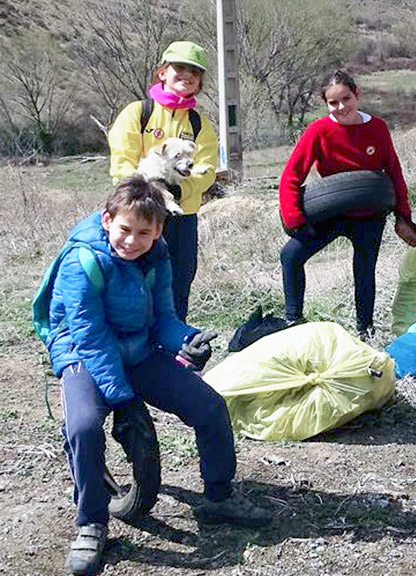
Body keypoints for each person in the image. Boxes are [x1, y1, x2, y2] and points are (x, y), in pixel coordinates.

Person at [45, 176, 271, 576]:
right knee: (82, 427)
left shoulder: (157, 255)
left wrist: (187, 340)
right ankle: (91, 522)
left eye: (144, 233)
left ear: (159, 231)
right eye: (125, 230)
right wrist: (121, 397)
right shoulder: (82, 262)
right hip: (83, 353)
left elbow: (163, 318)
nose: (132, 241)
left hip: (137, 348)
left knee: (209, 406)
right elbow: (90, 336)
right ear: (106, 219)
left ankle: (218, 497)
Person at [278, 70, 416, 340]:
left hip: (369, 213)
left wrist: (403, 215)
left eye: (346, 98)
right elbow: (291, 176)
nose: (341, 107)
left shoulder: (377, 127)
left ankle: (365, 330)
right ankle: (293, 322)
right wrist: (295, 220)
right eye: (333, 103)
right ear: (326, 104)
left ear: (357, 94)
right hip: (330, 211)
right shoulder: (318, 131)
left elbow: (394, 172)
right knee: (290, 256)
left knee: (364, 270)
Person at [108, 40, 218, 321]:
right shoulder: (137, 113)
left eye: (194, 71)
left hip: (182, 218)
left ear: (200, 81)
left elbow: (206, 169)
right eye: (179, 68)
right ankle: (135, 349)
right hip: (139, 216)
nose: (187, 75)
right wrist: (147, 196)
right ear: (162, 72)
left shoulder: (199, 124)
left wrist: (178, 190)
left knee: (179, 284)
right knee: (135, 283)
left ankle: (175, 350)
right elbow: (122, 164)